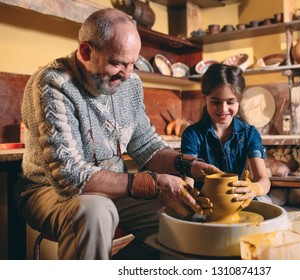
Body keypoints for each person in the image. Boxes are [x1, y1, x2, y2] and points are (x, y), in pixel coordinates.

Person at [14, 8, 222, 260]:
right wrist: (154, 184)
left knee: (184, 212)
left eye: (132, 63)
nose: (127, 74)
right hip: (49, 192)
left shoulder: (130, 83)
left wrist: (189, 165)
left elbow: (147, 145)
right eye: (117, 63)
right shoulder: (54, 82)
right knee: (95, 211)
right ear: (86, 52)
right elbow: (70, 176)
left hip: (115, 188)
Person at [180, 63, 271, 203]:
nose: (223, 109)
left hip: (239, 200)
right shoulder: (192, 135)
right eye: (216, 102)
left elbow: (264, 180)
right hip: (204, 202)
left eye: (230, 102)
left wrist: (254, 188)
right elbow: (188, 183)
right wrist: (191, 198)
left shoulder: (249, 133)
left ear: (239, 100)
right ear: (204, 99)